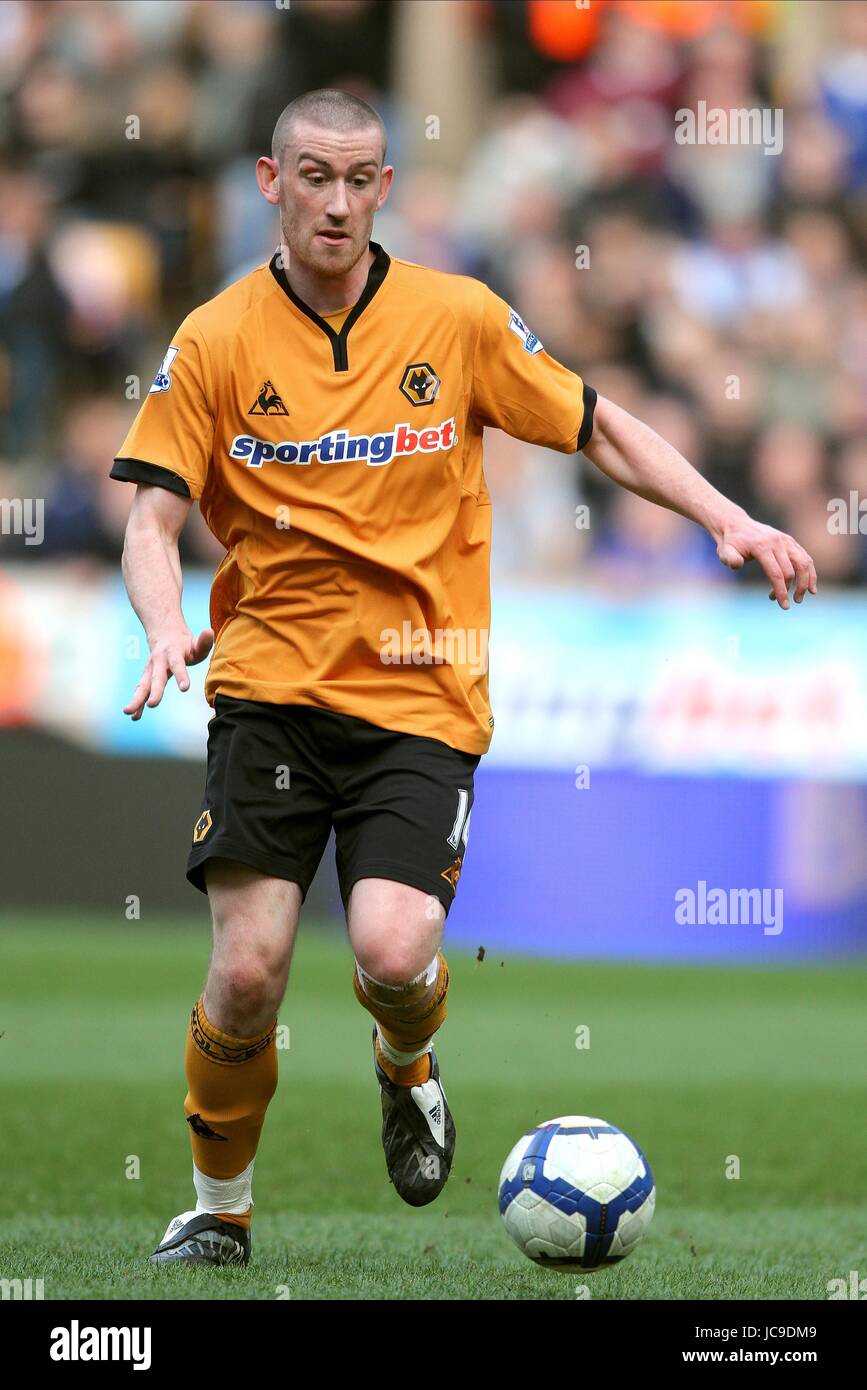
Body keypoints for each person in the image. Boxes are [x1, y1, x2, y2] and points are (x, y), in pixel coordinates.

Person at [111, 89, 817, 1267]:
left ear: (387, 188)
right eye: (313, 177)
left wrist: (725, 514)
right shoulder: (216, 337)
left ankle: (407, 1062)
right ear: (269, 182)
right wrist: (163, 620)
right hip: (269, 687)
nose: (337, 202)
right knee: (246, 970)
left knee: (392, 952)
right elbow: (150, 516)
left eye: (360, 179)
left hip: (421, 696)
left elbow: (596, 425)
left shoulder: (458, 318)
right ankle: (219, 1212)